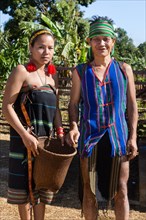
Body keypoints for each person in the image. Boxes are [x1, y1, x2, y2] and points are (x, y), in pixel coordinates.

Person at [66, 16, 138, 220]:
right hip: (90, 138)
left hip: (118, 138)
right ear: (89, 42)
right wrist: (73, 126)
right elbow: (73, 104)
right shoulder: (80, 71)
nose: (101, 43)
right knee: (89, 193)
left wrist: (132, 137)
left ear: (113, 42)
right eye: (96, 39)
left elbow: (132, 106)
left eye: (106, 38)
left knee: (121, 190)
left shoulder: (124, 70)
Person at [2, 29, 64, 220]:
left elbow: (56, 110)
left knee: (42, 185)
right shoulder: (21, 71)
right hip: (24, 139)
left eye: (50, 48)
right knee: (25, 188)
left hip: (46, 141)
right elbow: (7, 106)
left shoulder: (52, 77)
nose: (46, 52)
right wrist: (24, 135)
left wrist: (60, 132)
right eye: (41, 47)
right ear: (31, 48)